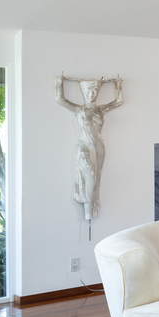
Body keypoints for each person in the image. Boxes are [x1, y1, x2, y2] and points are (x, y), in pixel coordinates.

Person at [55, 76, 124, 221]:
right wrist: (59, 82)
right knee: (91, 180)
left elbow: (119, 101)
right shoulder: (79, 109)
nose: (91, 95)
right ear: (84, 93)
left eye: (94, 92)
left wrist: (118, 84)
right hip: (84, 147)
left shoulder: (101, 110)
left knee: (96, 180)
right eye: (88, 92)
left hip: (99, 147)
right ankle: (88, 209)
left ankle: (92, 206)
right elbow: (60, 99)